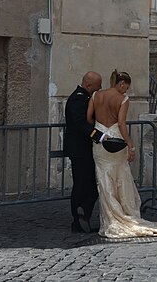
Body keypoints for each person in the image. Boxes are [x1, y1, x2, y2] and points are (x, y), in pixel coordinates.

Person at [88, 70, 157, 238]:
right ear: (121, 84)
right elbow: (121, 124)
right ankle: (124, 212)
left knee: (104, 179)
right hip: (115, 139)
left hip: (100, 141)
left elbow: (88, 118)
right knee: (121, 177)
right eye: (126, 87)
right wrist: (131, 145)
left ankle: (109, 218)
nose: (126, 91)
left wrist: (100, 129)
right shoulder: (122, 99)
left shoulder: (96, 95)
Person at [63, 71, 103, 233]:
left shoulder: (84, 97)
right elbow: (81, 124)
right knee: (81, 185)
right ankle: (78, 219)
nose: (99, 89)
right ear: (88, 85)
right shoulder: (79, 99)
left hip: (83, 148)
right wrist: (99, 136)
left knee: (90, 185)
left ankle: (83, 213)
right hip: (79, 149)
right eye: (97, 86)